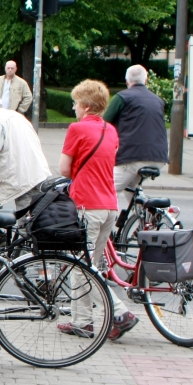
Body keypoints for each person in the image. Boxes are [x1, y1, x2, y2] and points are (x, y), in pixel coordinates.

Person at [59, 80, 138, 341]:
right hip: (109, 206)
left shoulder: (77, 129)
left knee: (81, 266)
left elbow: (63, 169)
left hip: (86, 205)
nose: (73, 107)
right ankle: (82, 321)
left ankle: (120, 312)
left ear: (86, 106)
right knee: (85, 265)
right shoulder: (111, 131)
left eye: (75, 103)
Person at [104, 64, 169, 211]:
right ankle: (144, 220)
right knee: (131, 188)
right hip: (159, 156)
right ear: (146, 81)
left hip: (132, 156)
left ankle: (103, 232)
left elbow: (104, 125)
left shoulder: (122, 97)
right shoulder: (158, 100)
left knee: (105, 192)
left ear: (127, 81)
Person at [0, 94, 51, 212]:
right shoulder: (16, 116)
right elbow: (14, 148)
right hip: (37, 172)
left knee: (25, 222)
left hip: (25, 179)